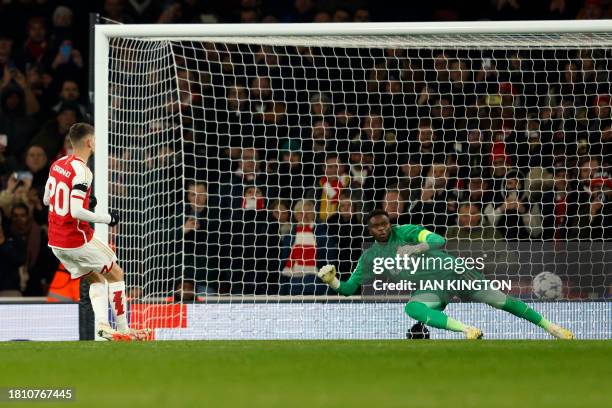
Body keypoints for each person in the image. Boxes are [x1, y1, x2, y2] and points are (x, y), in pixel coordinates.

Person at [316, 209, 575, 340]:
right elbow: (350, 289)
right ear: (370, 231)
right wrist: (333, 281)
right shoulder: (370, 257)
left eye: (385, 224)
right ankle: (468, 331)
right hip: (433, 288)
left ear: (390, 223)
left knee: (500, 301)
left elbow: (439, 240)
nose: (382, 229)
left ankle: (552, 328)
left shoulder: (406, 231)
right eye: (376, 227)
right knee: (413, 309)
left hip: (454, 271)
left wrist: (417, 247)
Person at [43, 122, 149, 341]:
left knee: (96, 278)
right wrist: (107, 218)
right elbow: (76, 211)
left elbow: (47, 199)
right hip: (75, 239)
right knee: (117, 273)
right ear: (90, 142)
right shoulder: (83, 171)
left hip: (56, 241)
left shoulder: (58, 164)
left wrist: (84, 199)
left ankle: (102, 326)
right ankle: (124, 329)